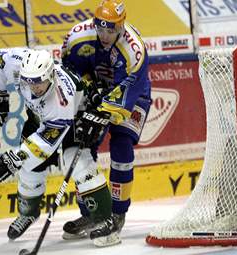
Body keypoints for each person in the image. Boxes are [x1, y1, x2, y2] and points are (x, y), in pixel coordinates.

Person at [0, 48, 121, 247]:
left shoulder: (62, 99)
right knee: (29, 167)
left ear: (51, 75)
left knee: (77, 162)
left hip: (76, 117)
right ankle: (28, 214)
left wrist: (12, 159)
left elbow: (45, 144)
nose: (34, 88)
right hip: (39, 117)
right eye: (29, 81)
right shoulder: (16, 62)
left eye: (39, 82)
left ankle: (107, 221)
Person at [60, 0, 152, 239]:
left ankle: (118, 214)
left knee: (121, 142)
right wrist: (89, 90)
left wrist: (101, 112)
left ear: (121, 26)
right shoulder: (78, 36)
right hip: (95, 91)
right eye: (100, 28)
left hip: (133, 94)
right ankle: (93, 212)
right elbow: (69, 71)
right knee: (80, 141)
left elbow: (131, 87)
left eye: (110, 29)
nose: (104, 34)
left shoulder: (134, 49)